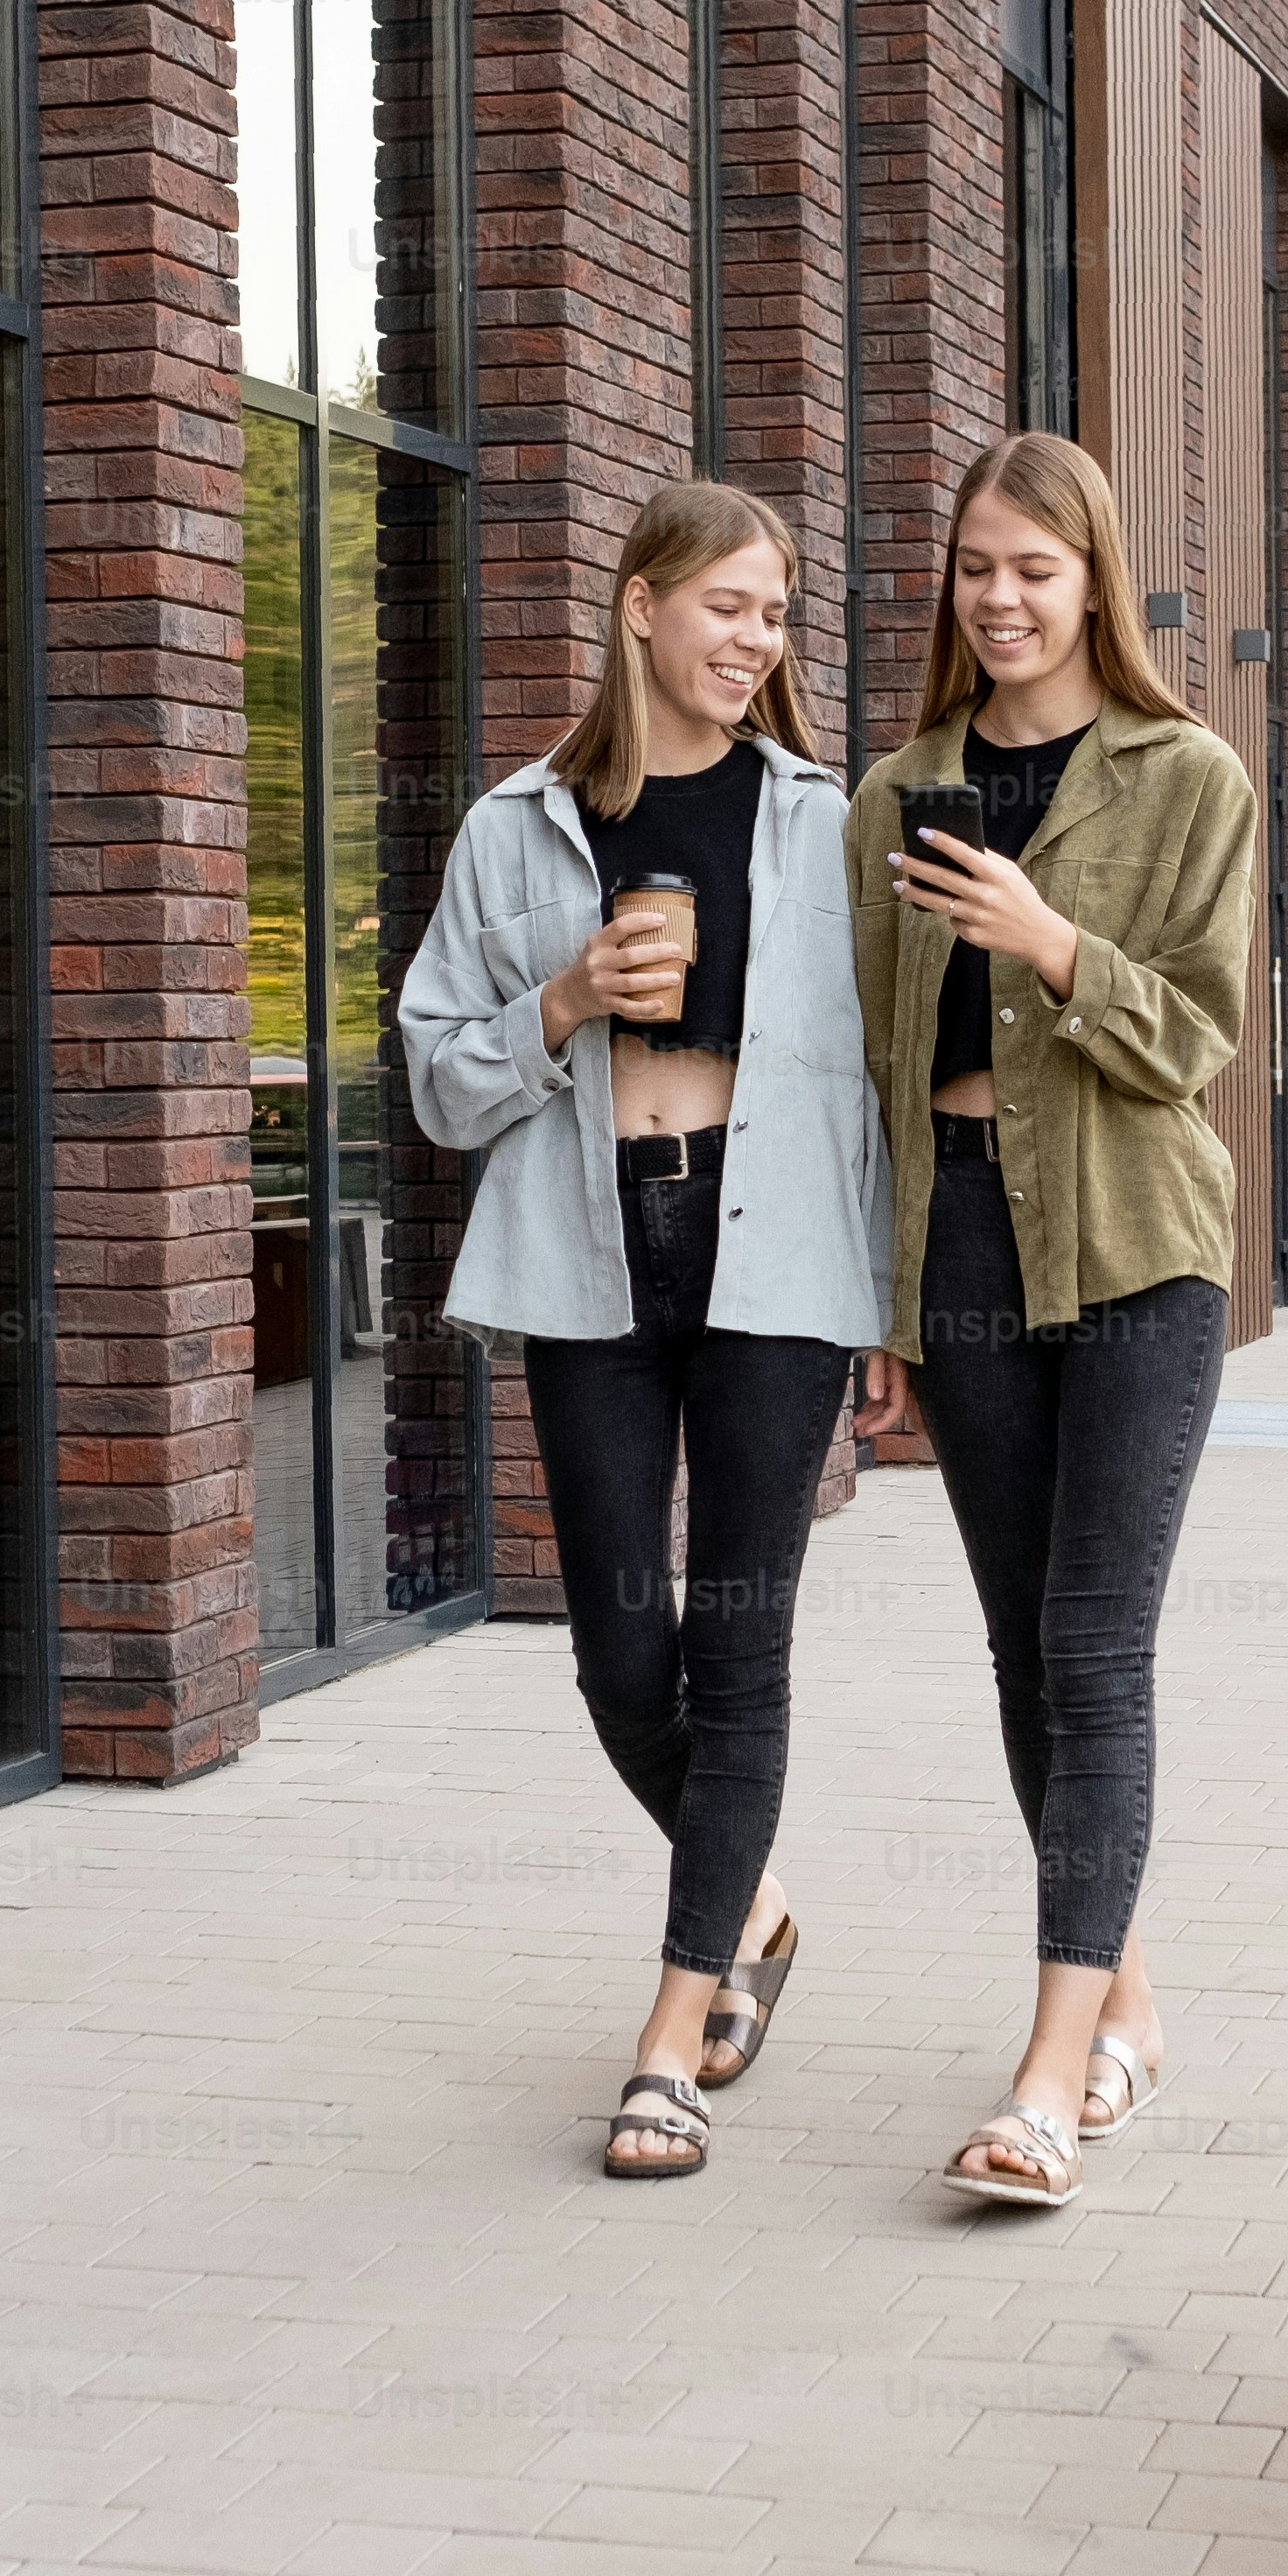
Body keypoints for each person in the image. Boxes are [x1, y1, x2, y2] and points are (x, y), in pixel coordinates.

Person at [400, 480, 890, 2183]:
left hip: (775, 1269)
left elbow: (873, 1085)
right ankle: (749, 1906)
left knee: (739, 1654)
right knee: (620, 1653)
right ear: (639, 608)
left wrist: (887, 1300)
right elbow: (438, 1082)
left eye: (777, 614)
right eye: (729, 607)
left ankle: (670, 2041)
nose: (756, 641)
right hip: (589, 1260)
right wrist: (563, 1001)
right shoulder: (515, 828)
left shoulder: (824, 822)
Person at [848, 432, 1259, 2213]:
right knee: (1023, 1652)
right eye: (975, 569)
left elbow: (1198, 1038)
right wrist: (877, 1302)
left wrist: (1048, 938)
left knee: (1095, 1647)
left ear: (1094, 578)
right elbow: (868, 1067)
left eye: (1035, 567)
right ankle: (1129, 2005)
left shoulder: (1187, 777)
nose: (1001, 599)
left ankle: (1043, 2074)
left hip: (1137, 1257)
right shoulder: (895, 794)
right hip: (961, 1264)